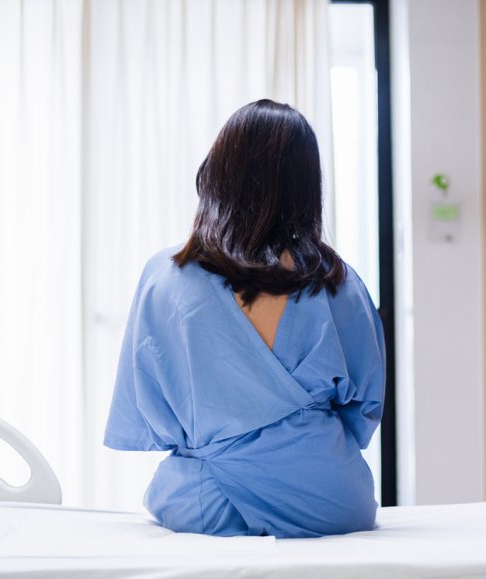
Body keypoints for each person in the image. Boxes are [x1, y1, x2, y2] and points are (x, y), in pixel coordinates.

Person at [104, 99, 385, 538]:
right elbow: (364, 407)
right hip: (324, 498)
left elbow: (148, 403)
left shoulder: (165, 277)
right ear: (307, 186)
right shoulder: (337, 284)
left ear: (216, 173)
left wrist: (219, 426)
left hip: (200, 503)